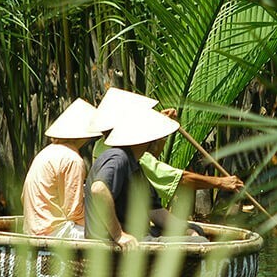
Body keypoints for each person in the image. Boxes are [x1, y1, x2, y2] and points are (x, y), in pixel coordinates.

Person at [88, 87, 245, 207]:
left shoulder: (102, 145)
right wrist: (221, 182)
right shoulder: (121, 155)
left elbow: (151, 155)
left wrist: (159, 128)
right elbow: (179, 179)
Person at [85, 106, 201, 248]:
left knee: (196, 231)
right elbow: (98, 189)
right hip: (115, 243)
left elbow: (155, 211)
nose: (159, 142)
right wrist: (119, 235)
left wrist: (186, 230)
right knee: (198, 242)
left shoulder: (135, 166)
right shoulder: (118, 157)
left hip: (139, 235)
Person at [22, 98, 99, 238]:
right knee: (109, 234)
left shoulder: (47, 152)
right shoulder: (73, 160)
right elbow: (74, 211)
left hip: (34, 228)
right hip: (54, 231)